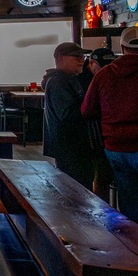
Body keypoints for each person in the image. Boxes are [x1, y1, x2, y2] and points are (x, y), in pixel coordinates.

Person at [82, 27, 138, 221]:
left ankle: (132, 242)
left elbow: (86, 110)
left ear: (122, 48)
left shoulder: (103, 75)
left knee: (128, 196)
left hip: (116, 145)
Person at [41, 42, 93, 189]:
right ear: (60, 58)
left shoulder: (66, 79)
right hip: (70, 146)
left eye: (83, 56)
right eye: (76, 56)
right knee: (77, 190)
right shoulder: (59, 81)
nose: (81, 59)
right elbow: (67, 114)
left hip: (69, 146)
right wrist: (92, 108)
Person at [76, 48, 116, 200]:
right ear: (91, 63)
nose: (105, 70)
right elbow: (86, 110)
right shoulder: (80, 79)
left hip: (108, 135)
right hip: (93, 138)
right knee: (100, 177)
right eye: (101, 67)